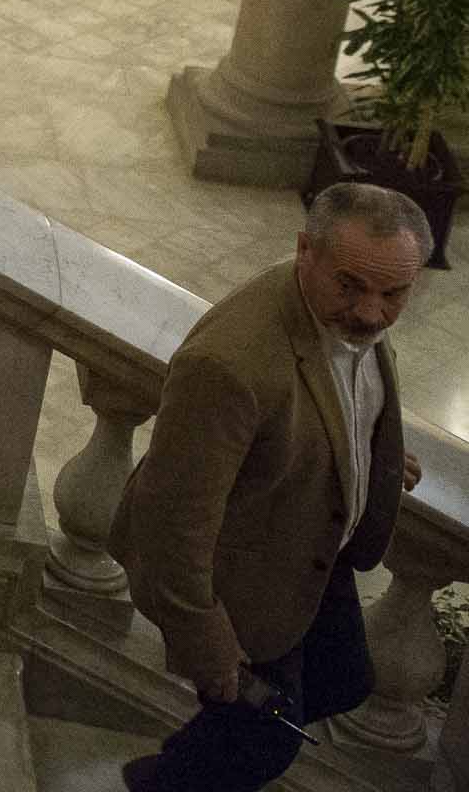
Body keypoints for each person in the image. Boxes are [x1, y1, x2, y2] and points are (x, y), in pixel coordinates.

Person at [113, 184, 426, 792]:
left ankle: (172, 770)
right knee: (266, 743)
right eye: (352, 286)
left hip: (311, 549)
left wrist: (365, 456)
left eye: (394, 294)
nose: (371, 313)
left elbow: (335, 400)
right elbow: (171, 522)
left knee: (345, 680)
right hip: (244, 581)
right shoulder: (228, 364)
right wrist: (207, 643)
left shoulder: (342, 303)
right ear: (305, 250)